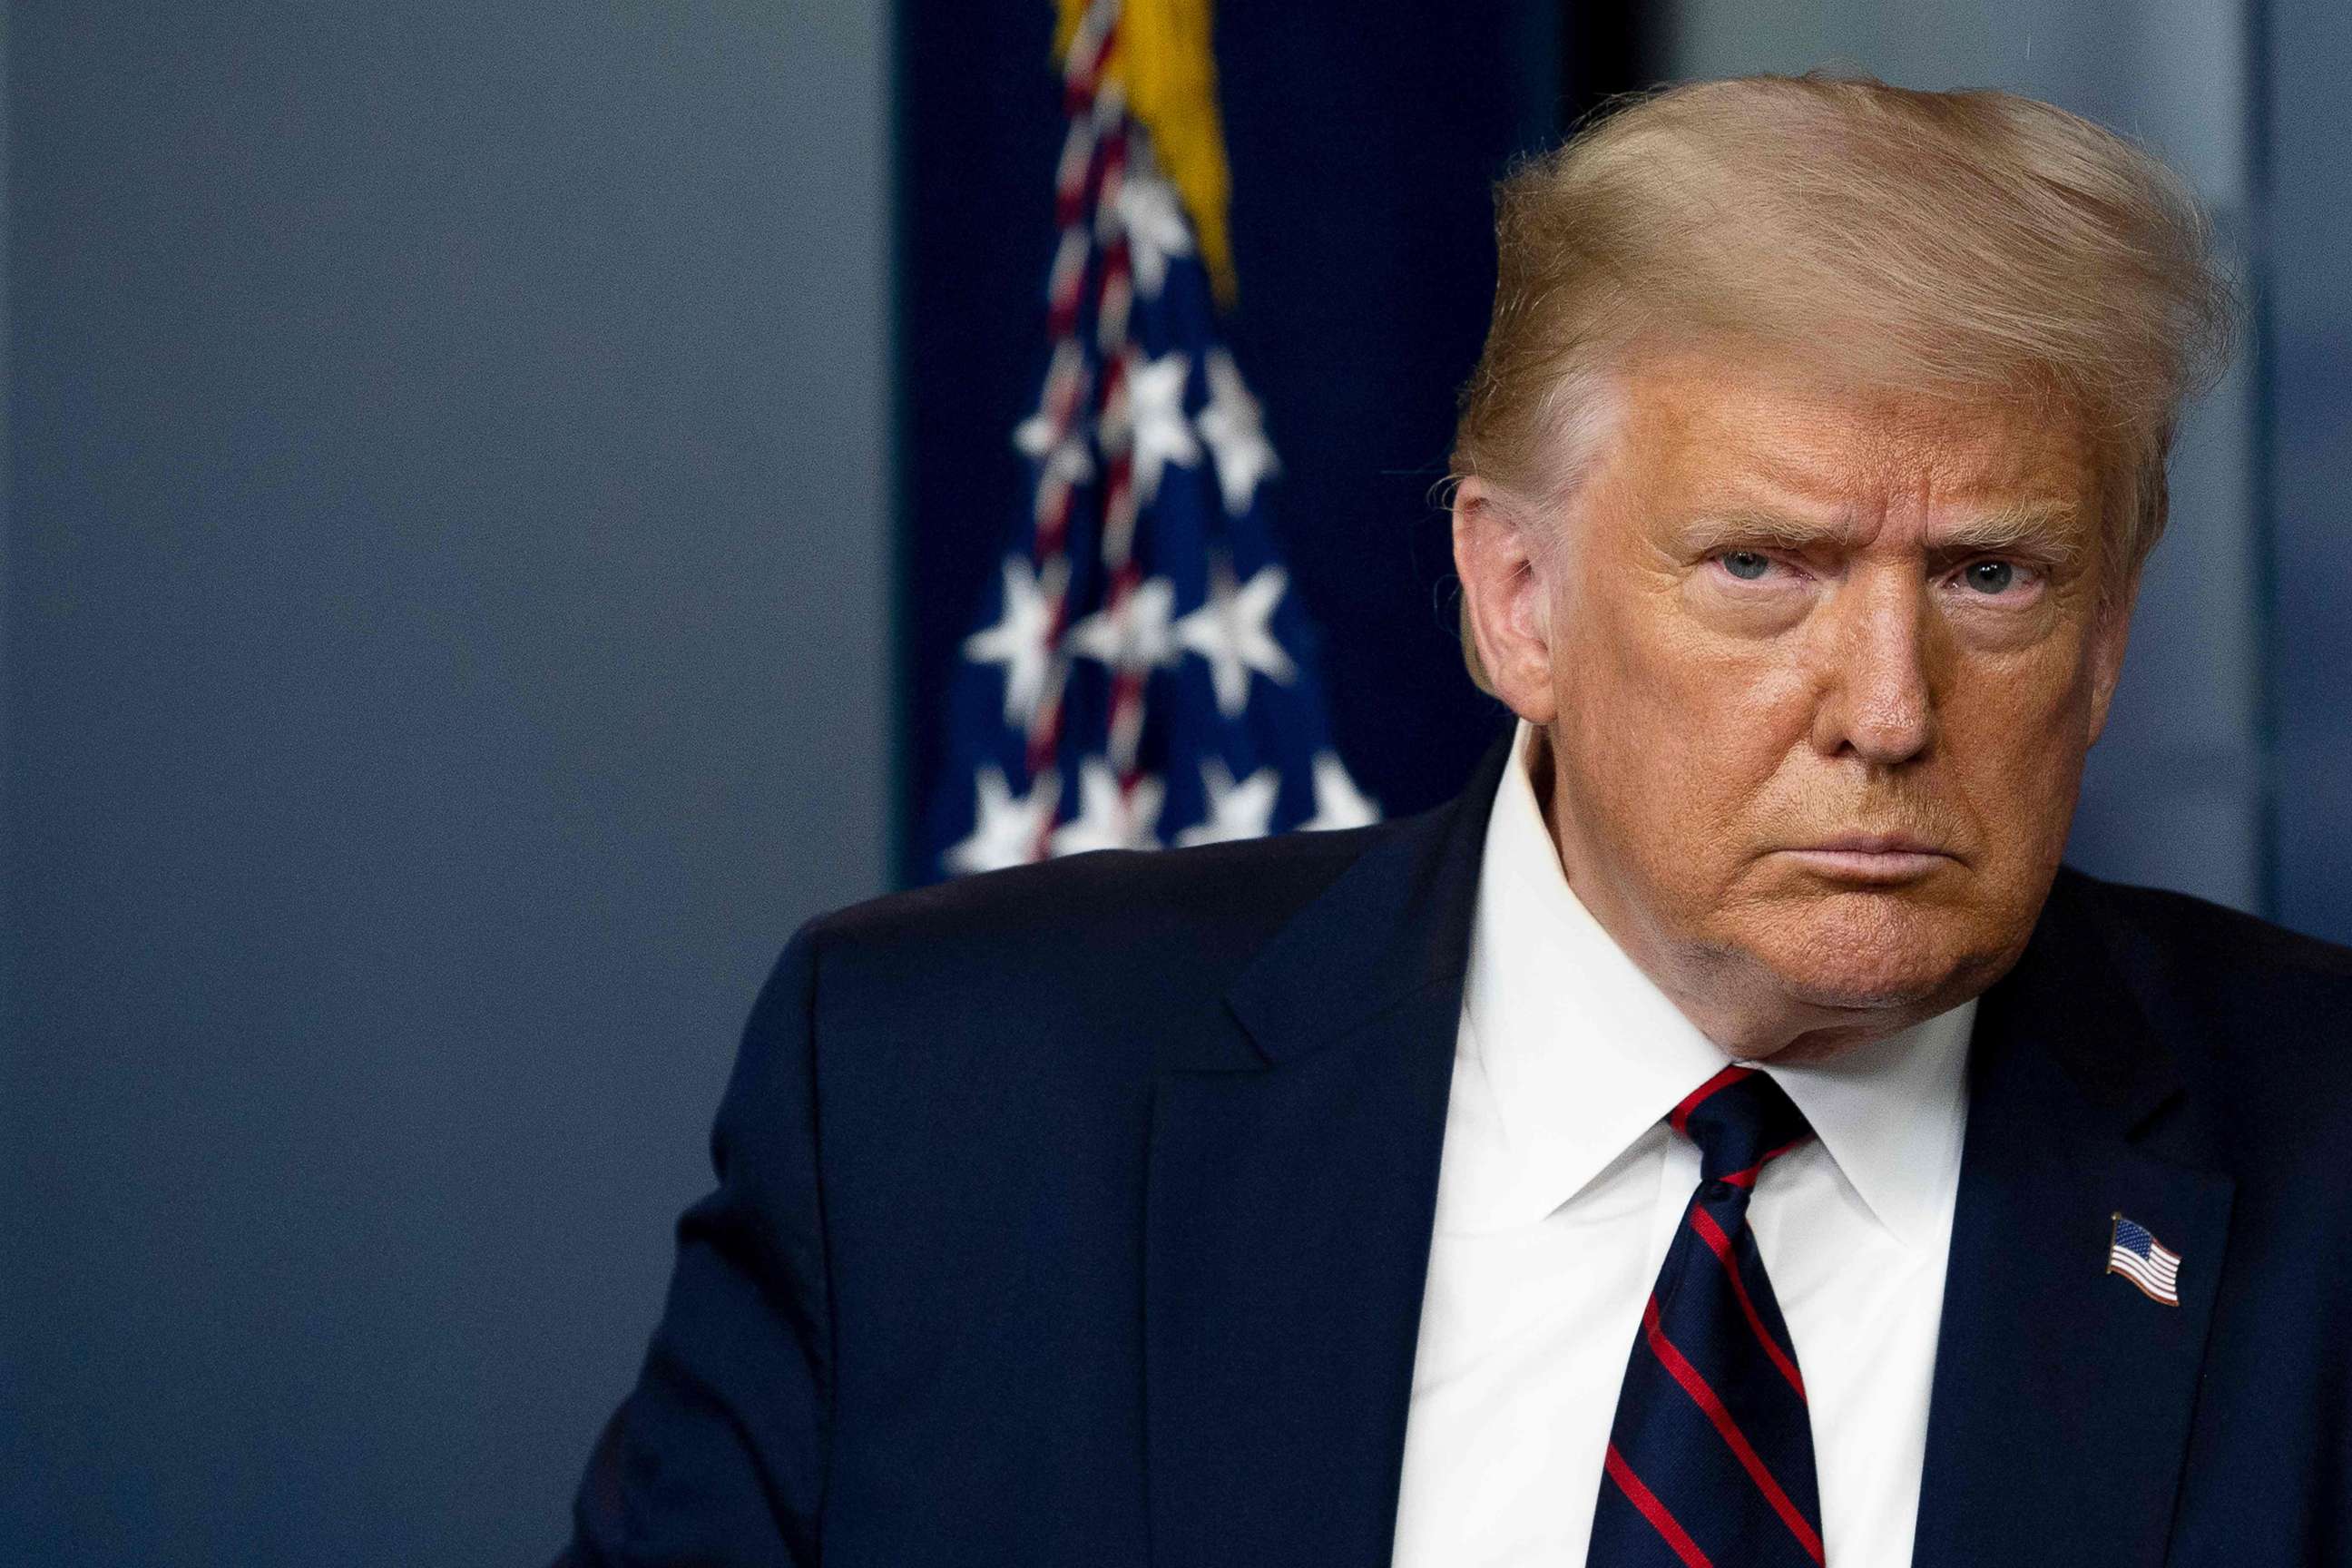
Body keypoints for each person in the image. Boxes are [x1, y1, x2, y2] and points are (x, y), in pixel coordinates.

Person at [556, 75, 2352, 1567]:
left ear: (2109, 637)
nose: (1887, 710)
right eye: (1759, 567)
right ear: (1517, 597)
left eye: (1990, 577)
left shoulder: (2325, 1162)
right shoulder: (941, 1116)